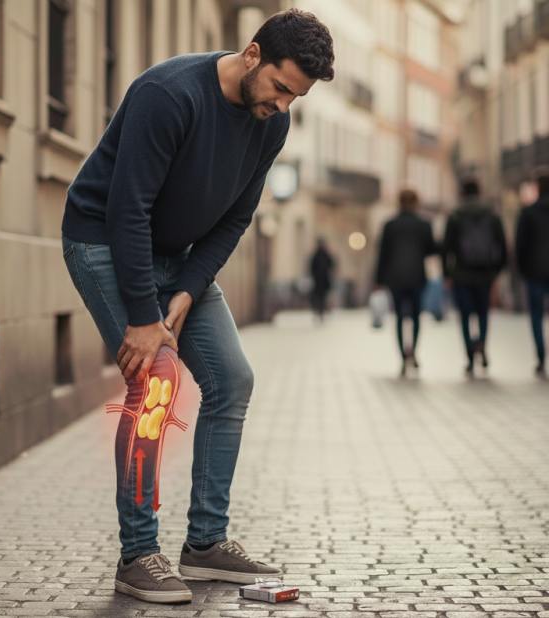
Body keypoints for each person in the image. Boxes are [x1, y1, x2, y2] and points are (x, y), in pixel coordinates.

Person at [61, 9, 334, 604]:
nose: (284, 106)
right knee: (155, 382)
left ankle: (205, 544)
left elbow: (236, 217)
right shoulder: (168, 94)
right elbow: (126, 209)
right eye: (282, 88)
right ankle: (137, 556)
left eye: (298, 98)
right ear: (253, 55)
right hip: (103, 243)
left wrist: (185, 291)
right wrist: (143, 317)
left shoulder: (271, 125)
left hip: (175, 258)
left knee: (232, 379)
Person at [442, 177, 507, 376]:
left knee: (464, 316)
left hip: (462, 274)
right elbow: (502, 247)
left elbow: (447, 248)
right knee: (483, 313)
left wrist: (448, 273)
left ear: (462, 193)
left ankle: (469, 358)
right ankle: (482, 345)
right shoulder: (492, 216)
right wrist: (496, 270)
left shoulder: (455, 216)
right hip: (485, 274)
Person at [374, 188, 438, 376]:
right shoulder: (424, 224)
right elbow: (431, 250)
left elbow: (382, 255)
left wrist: (378, 280)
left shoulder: (390, 225)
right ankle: (414, 352)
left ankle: (403, 356)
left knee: (401, 317)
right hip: (417, 277)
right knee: (416, 316)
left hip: (395, 278)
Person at [515, 167, 549, 375]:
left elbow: (520, 245)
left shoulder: (528, 212)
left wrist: (522, 269)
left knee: (536, 314)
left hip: (534, 271)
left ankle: (541, 355)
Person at [309, 238, 334, 321]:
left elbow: (311, 268)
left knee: (319, 297)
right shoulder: (324, 254)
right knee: (321, 297)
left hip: (319, 280)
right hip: (322, 280)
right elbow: (332, 264)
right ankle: (320, 311)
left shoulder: (317, 254)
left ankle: (319, 311)